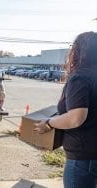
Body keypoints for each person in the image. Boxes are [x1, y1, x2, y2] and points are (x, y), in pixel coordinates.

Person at [34, 31, 97, 188]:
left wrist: (49, 122)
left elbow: (76, 117)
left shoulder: (80, 77)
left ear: (78, 51)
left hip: (83, 159)